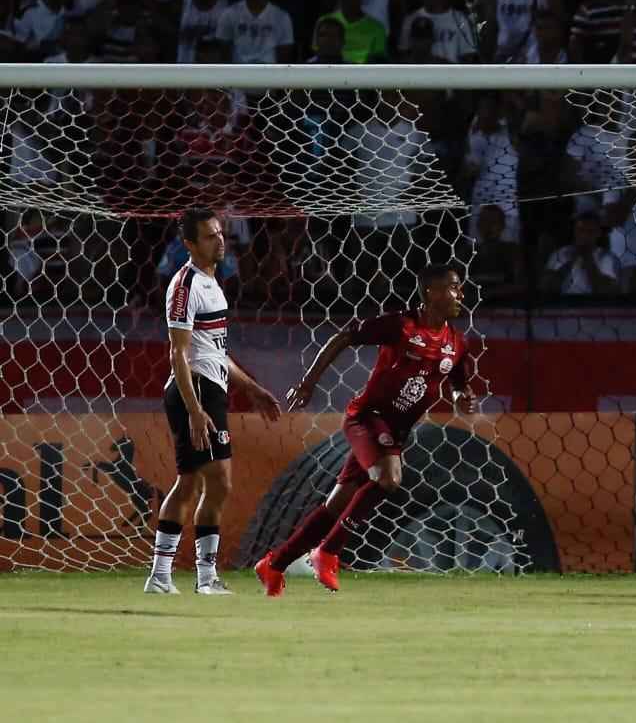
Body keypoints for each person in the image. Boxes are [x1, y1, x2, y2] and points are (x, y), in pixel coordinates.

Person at [254, 264, 477, 597]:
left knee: (337, 503)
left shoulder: (456, 344)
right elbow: (344, 336)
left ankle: (275, 563)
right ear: (431, 292)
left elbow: (459, 382)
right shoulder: (401, 326)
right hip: (367, 419)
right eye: (453, 287)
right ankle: (328, 551)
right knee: (388, 478)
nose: (460, 294)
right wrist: (309, 382)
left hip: (395, 431)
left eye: (459, 288)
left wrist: (462, 396)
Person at [145, 208, 281, 595]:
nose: (220, 240)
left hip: (210, 387)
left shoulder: (212, 282)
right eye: (209, 236)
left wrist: (252, 389)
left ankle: (165, 576)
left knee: (192, 483)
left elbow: (215, 351)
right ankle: (199, 577)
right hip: (196, 392)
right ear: (189, 244)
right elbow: (178, 354)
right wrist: (195, 411)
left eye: (220, 234)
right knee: (216, 482)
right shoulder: (184, 285)